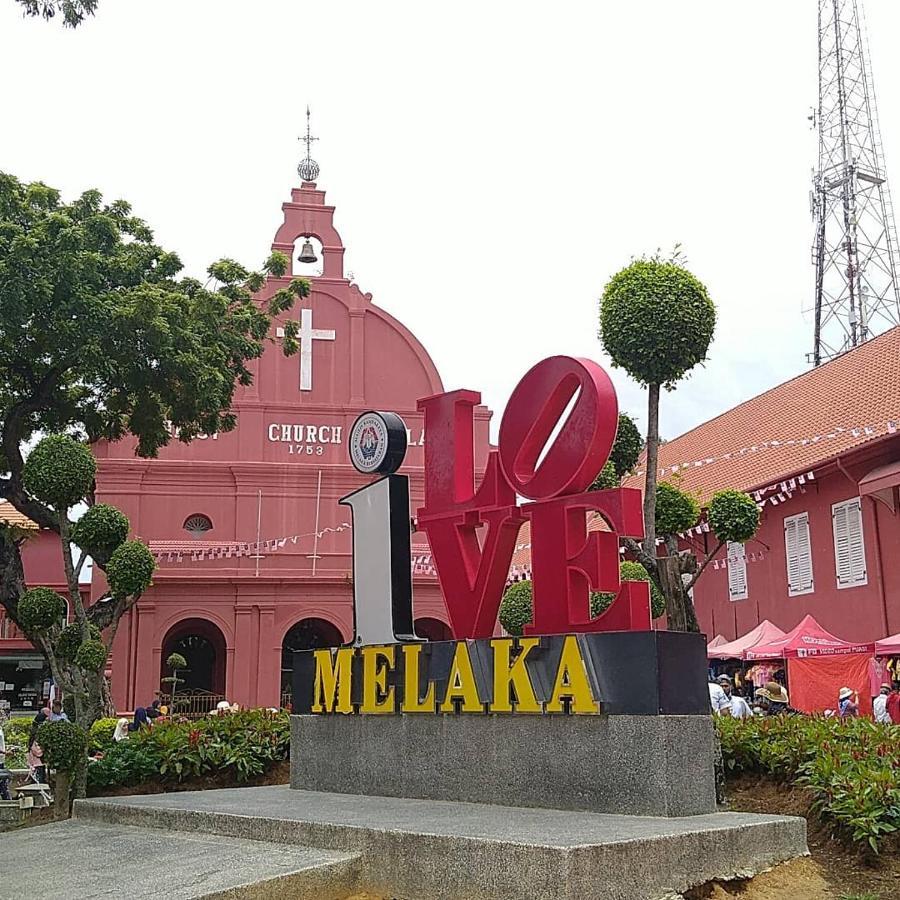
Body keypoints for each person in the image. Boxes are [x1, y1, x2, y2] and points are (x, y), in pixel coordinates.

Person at [0, 711, 11, 801]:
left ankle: (7, 799)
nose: (2, 718)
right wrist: (4, 752)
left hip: (1, 759)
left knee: (3, 782)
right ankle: (7, 800)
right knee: (2, 783)